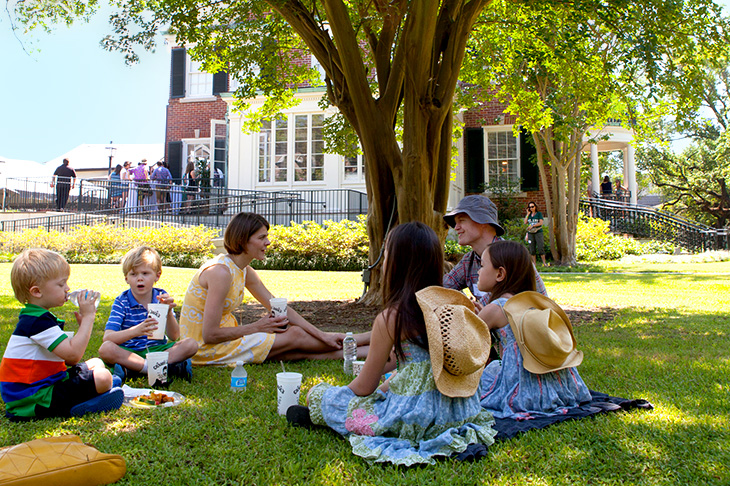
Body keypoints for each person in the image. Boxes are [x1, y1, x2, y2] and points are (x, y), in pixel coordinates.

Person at [290, 222, 497, 465]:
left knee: (320, 395)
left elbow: (365, 386)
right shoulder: (451, 307)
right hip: (458, 411)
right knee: (383, 389)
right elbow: (420, 366)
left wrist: (335, 394)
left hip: (412, 415)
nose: (383, 260)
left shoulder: (392, 318)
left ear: (396, 264)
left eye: (386, 253)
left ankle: (324, 414)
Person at [178, 212, 369, 365]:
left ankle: (367, 349)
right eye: (262, 237)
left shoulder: (244, 270)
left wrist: (321, 335)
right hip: (203, 348)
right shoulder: (220, 273)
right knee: (295, 335)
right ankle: (368, 339)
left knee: (293, 350)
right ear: (243, 241)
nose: (268, 242)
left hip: (224, 341)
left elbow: (279, 307)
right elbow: (209, 335)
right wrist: (256, 327)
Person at [0, 249, 123, 420]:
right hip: (33, 398)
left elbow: (65, 356)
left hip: (45, 383)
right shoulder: (37, 322)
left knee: (97, 363)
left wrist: (83, 327)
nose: (68, 288)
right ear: (37, 292)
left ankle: (101, 387)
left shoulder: (37, 317)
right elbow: (72, 356)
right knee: (102, 377)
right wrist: (88, 317)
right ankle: (86, 402)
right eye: (61, 284)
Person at [475, 240, 591, 418]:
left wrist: (474, 318)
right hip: (558, 387)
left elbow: (467, 344)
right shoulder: (532, 303)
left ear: (500, 274)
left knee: (484, 379)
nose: (478, 271)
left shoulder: (495, 308)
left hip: (522, 392)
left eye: (482, 266)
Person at [99, 246, 198, 385]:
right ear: (126, 278)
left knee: (191, 344)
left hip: (158, 351)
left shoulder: (160, 297)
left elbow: (174, 336)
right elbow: (108, 337)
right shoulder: (122, 302)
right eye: (133, 274)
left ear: (157, 275)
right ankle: (158, 368)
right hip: (130, 352)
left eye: (145, 273)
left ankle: (133, 370)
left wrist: (168, 312)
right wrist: (136, 331)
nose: (139, 278)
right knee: (106, 349)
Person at [443, 194, 547, 307]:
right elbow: (443, 286)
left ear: (482, 222)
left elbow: (542, 305)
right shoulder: (469, 260)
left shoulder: (510, 257)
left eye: (461, 220)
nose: (456, 227)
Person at [524, 201, 548, 266]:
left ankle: (544, 263)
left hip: (538, 232)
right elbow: (525, 222)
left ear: (535, 207)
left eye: (532, 206)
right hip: (531, 233)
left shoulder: (539, 214)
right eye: (529, 207)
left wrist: (533, 226)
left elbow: (541, 223)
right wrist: (527, 214)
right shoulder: (529, 215)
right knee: (532, 248)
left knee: (540, 247)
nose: (531, 208)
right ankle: (534, 264)